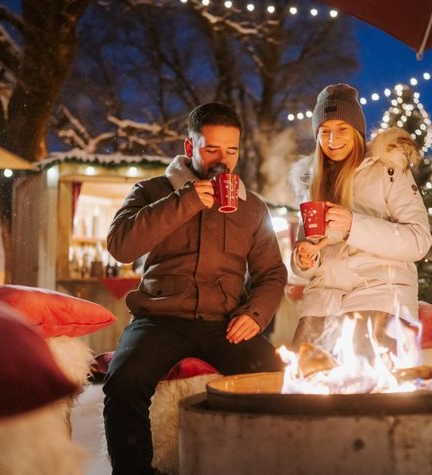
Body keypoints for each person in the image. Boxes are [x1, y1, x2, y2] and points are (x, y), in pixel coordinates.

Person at [103, 102, 287, 474]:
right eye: (212, 148)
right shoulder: (152, 191)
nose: (223, 159)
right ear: (190, 148)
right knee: (124, 385)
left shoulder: (252, 209)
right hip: (160, 319)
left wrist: (255, 314)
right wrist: (184, 201)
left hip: (225, 323)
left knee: (277, 378)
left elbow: (272, 274)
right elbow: (120, 245)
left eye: (231, 150)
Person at [291, 83, 432, 367]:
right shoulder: (311, 182)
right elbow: (306, 256)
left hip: (380, 293)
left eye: (342, 129)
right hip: (324, 299)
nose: (333, 139)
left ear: (357, 131)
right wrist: (304, 259)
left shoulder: (388, 168)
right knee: (305, 384)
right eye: (325, 131)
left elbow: (419, 240)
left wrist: (353, 226)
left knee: (365, 385)